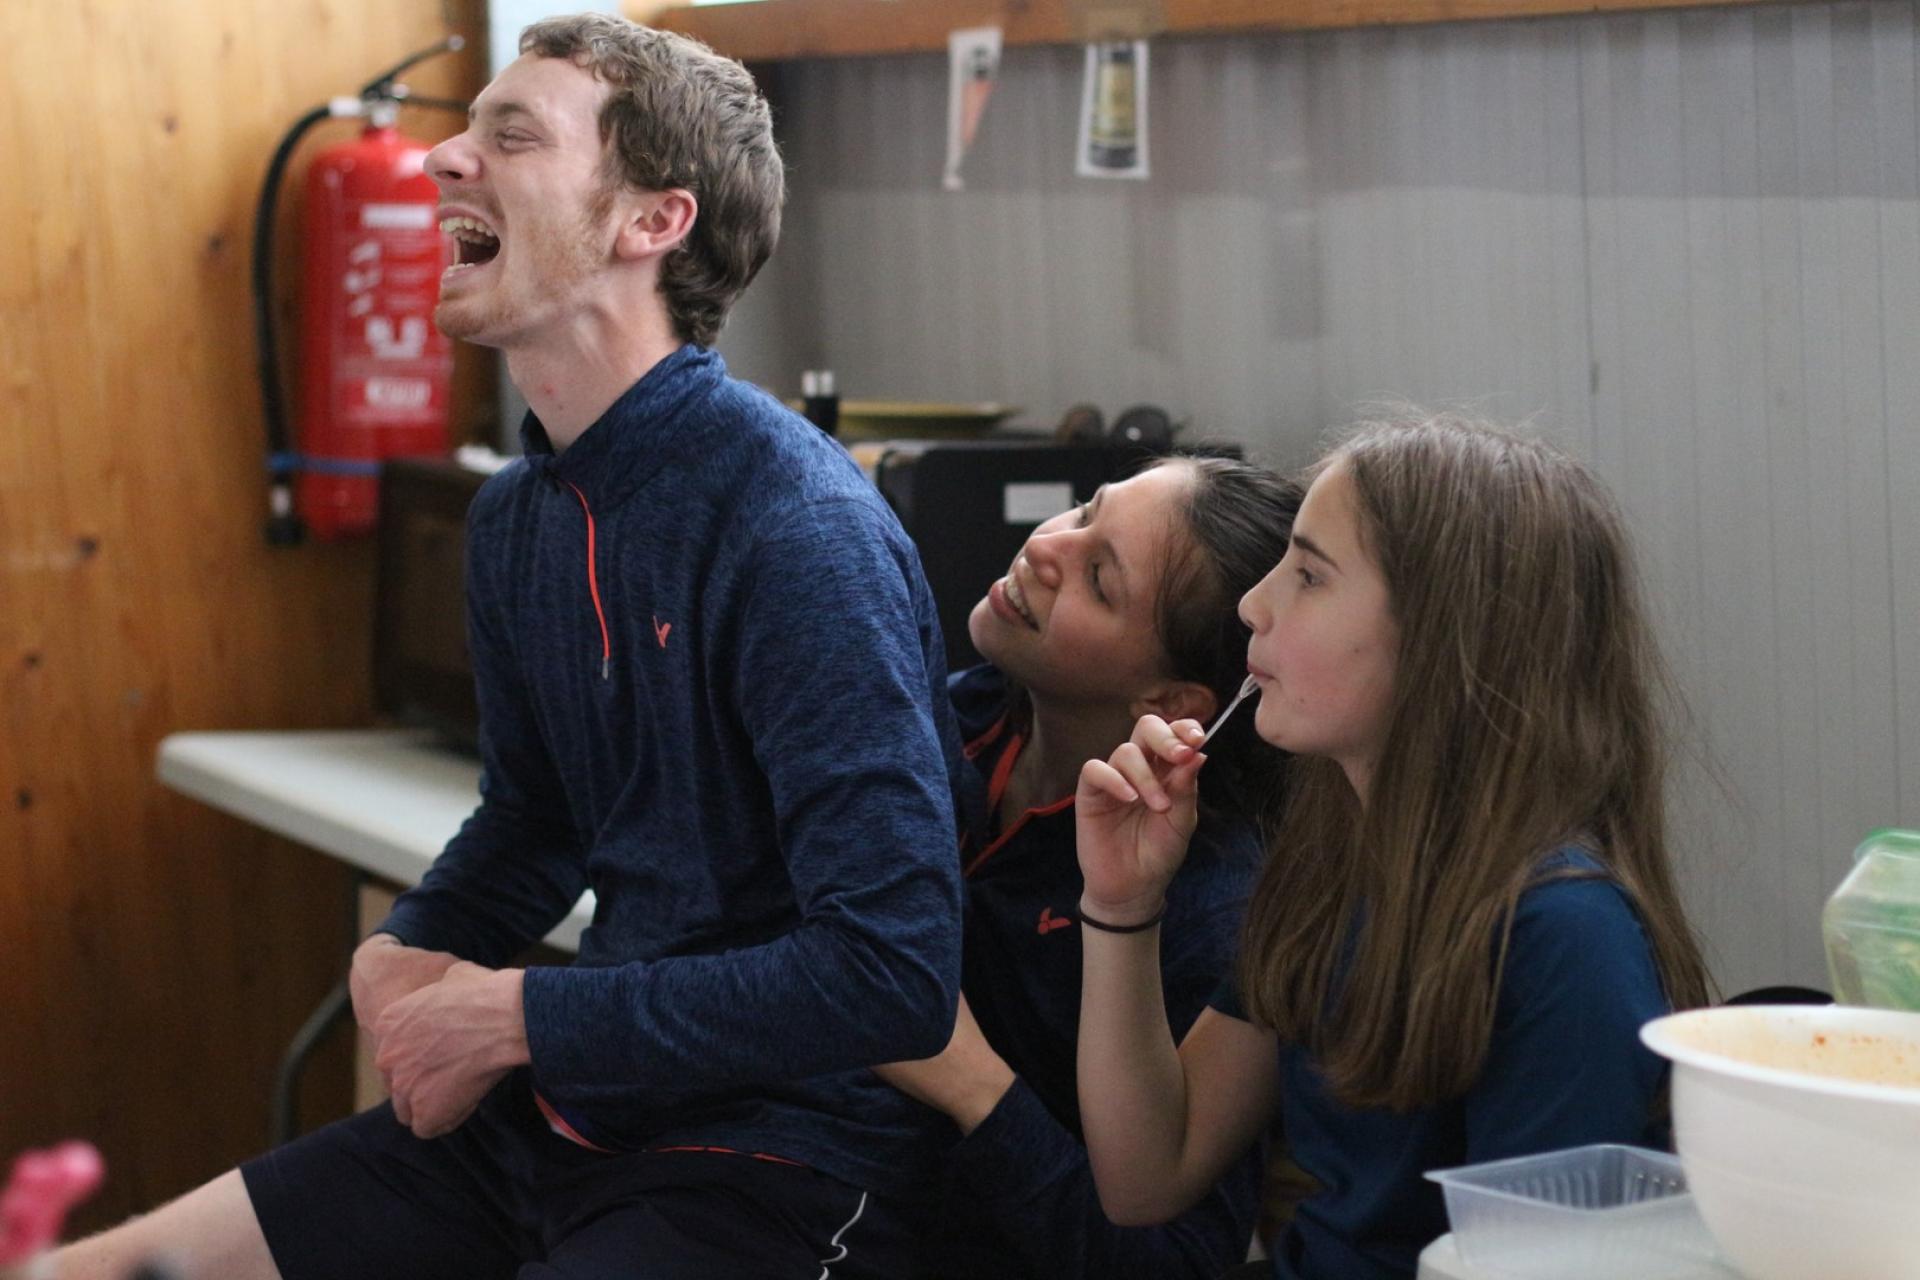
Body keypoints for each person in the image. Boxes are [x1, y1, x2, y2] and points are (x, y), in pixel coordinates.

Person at [61, 15, 962, 1279]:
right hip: (573, 1120)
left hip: (778, 1160)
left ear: (652, 221)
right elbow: (536, 819)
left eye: (513, 135)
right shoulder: (516, 518)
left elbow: (892, 972)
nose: (443, 160)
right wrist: (408, 939)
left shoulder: (797, 529)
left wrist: (519, 1013)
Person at [1072, 413, 1714, 1280]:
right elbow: (1147, 1177)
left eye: (1309, 575)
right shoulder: (1333, 868)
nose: (1254, 603)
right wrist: (1120, 904)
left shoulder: (1563, 937)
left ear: (1445, 643)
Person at [874, 455, 1303, 1278]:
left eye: (1099, 579)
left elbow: (1171, 1260)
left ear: (1168, 704)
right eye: (1081, 511)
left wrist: (969, 1083)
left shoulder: (1216, 908)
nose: (1045, 549)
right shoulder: (951, 716)